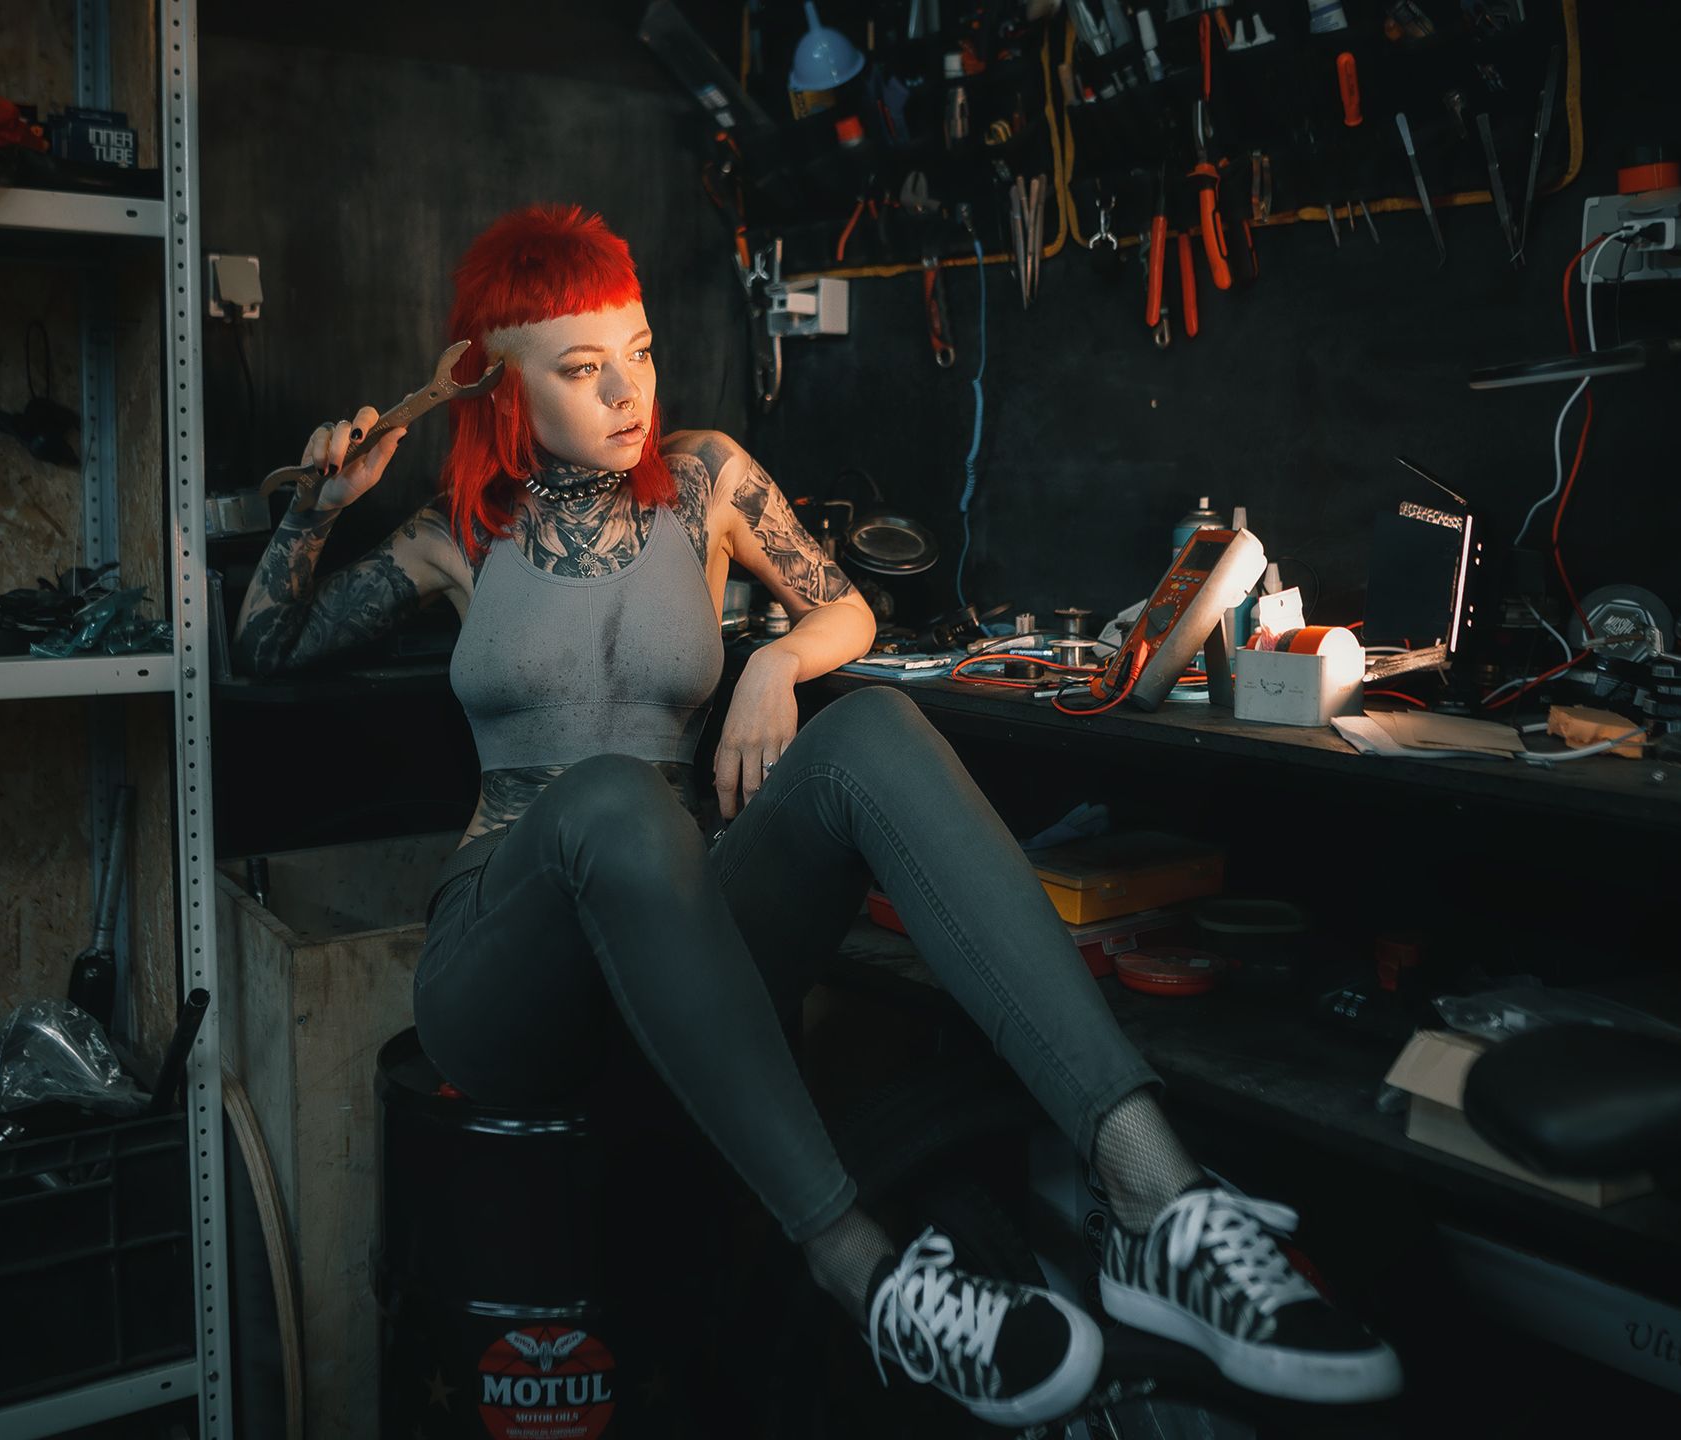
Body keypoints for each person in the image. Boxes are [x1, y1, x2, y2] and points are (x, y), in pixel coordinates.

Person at [234, 205, 1400, 1425]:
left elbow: (846, 609)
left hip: (683, 937)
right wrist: (320, 506)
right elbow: (265, 645)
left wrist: (777, 665)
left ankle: (1156, 1196)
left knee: (872, 731)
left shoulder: (703, 479)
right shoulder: (459, 532)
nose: (628, 390)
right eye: (581, 369)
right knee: (613, 796)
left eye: (639, 351)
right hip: (507, 972)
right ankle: (867, 1274)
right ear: (499, 389)